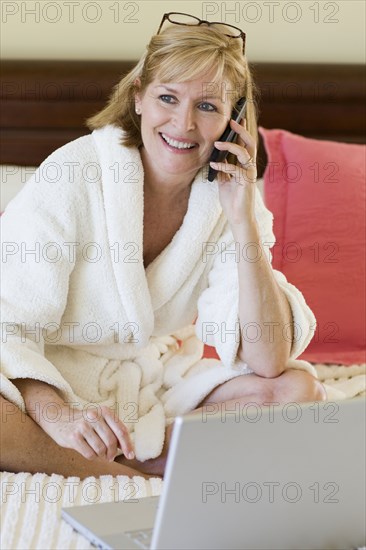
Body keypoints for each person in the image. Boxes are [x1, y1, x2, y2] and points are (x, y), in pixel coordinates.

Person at [0, 13, 326, 480]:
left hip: (152, 389)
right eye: (167, 98)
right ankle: (125, 473)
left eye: (208, 107)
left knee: (299, 391)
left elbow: (267, 358)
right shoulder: (72, 174)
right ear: (138, 97)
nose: (184, 124)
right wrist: (61, 417)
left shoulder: (229, 198)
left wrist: (242, 220)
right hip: (51, 386)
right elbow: (8, 326)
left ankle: (129, 454)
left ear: (233, 120)